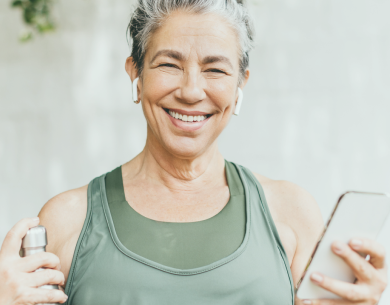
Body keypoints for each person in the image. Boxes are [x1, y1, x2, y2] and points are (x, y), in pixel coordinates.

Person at [0, 0, 387, 304]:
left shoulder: (290, 213)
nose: (190, 90)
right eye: (169, 64)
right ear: (135, 74)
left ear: (240, 85)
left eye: (215, 70)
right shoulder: (68, 220)